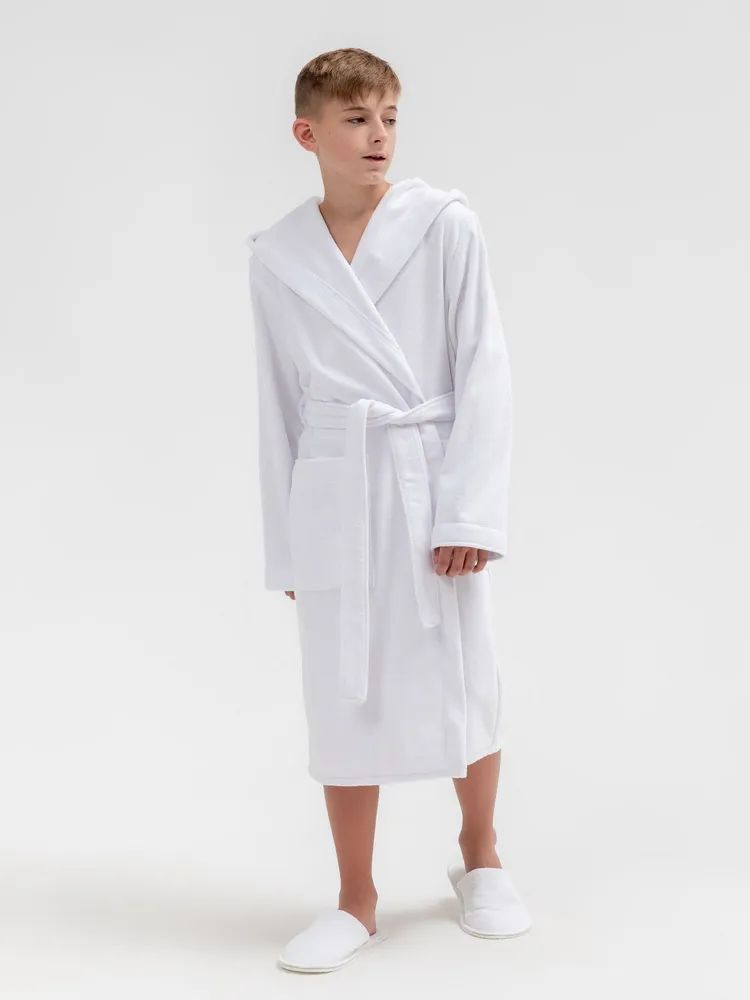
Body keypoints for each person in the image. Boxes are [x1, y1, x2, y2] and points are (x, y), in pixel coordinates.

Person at [245, 47, 531, 973]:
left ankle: (480, 857)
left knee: (464, 675)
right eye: (357, 119)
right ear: (307, 132)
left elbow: (484, 367)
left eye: (390, 117)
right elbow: (279, 404)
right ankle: (356, 900)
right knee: (342, 692)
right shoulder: (278, 256)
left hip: (428, 477)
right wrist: (291, 547)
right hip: (336, 492)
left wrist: (468, 514)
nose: (379, 136)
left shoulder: (445, 225)